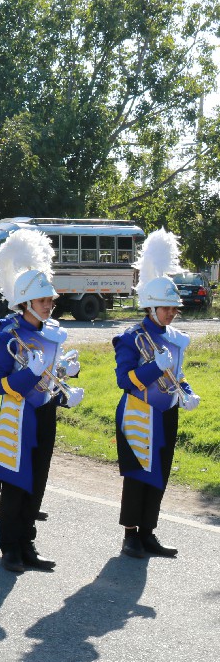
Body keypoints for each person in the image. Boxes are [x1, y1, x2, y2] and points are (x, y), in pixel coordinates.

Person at [0, 229, 84, 573]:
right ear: (26, 302)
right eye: (43, 301)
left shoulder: (53, 332)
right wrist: (29, 373)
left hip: (44, 412)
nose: (49, 305)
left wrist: (66, 377)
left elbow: (51, 376)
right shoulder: (9, 335)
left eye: (51, 301)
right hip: (18, 416)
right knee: (16, 483)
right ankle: (9, 548)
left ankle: (27, 543)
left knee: (38, 480)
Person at [115, 229, 200, 559]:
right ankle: (130, 535)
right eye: (166, 307)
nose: (171, 313)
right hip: (139, 413)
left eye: (174, 308)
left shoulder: (176, 338)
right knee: (138, 475)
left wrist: (187, 392)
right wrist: (153, 368)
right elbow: (125, 380)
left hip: (166, 412)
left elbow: (177, 375)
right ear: (151, 306)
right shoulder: (131, 337)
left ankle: (148, 532)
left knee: (160, 473)